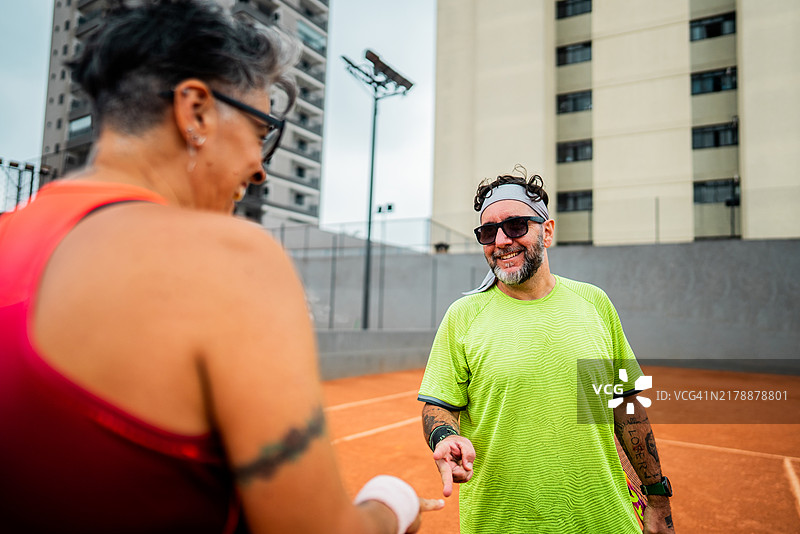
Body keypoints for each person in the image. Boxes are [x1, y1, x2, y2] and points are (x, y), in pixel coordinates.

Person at [0, 1, 442, 532]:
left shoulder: (9, 234)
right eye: (261, 133)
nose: (258, 169)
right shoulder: (230, 260)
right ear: (197, 112)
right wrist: (392, 504)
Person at [417, 168, 675, 533]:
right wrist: (445, 436)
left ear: (547, 230)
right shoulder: (464, 316)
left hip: (603, 521)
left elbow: (626, 408)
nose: (502, 240)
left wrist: (658, 498)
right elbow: (439, 405)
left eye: (516, 225)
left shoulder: (593, 303)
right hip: (501, 523)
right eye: (488, 232)